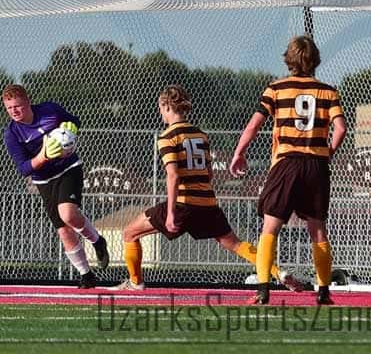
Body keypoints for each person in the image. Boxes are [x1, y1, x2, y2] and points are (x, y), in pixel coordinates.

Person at [110, 84, 304, 292]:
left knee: (130, 233)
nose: (160, 113)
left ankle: (135, 282)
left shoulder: (168, 137)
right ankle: (277, 272)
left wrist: (170, 212)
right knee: (235, 244)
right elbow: (209, 173)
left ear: (166, 106)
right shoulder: (201, 135)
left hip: (183, 203)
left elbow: (173, 176)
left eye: (160, 107)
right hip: (207, 203)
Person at [229, 35, 347, 305]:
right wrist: (328, 152)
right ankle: (324, 292)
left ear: (289, 59)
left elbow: (254, 125)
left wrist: (239, 152)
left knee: (270, 227)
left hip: (286, 163)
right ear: (315, 59)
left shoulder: (276, 89)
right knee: (317, 229)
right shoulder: (328, 91)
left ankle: (262, 291)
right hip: (316, 165)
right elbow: (340, 128)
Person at [1, 84, 109, 289]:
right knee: (63, 230)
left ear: (28, 101)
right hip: (43, 179)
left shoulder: (49, 110)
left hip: (68, 168)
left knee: (68, 214)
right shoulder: (12, 134)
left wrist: (71, 129)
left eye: (18, 106)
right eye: (9, 108)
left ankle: (97, 241)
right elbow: (24, 169)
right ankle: (86, 275)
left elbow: (74, 121)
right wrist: (43, 156)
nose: (14, 111)